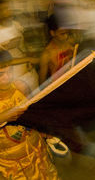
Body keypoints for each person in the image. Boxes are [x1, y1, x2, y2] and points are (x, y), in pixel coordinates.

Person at [0, 50, 59, 179]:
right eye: (1, 74)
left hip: (36, 149)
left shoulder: (19, 86)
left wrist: (44, 131)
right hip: (11, 162)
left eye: (10, 71)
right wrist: (5, 116)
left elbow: (32, 115)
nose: (8, 77)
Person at [39, 14, 74, 84]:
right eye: (62, 34)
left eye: (67, 33)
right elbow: (42, 82)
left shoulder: (70, 42)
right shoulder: (47, 54)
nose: (66, 36)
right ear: (52, 33)